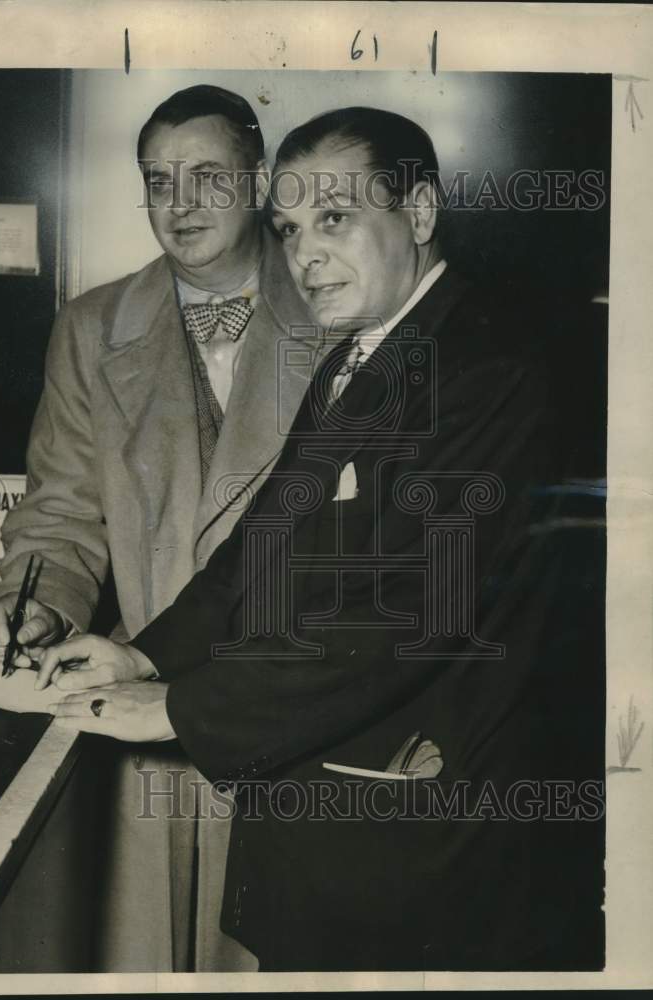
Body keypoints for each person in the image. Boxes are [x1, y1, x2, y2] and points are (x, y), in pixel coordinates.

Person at [38, 108, 604, 971]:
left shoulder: (492, 367)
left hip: (418, 844)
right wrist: (145, 658)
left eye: (334, 219)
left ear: (417, 212)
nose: (305, 255)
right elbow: (261, 549)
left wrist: (183, 710)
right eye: (290, 228)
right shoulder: (360, 356)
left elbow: (407, 607)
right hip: (334, 831)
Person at [0, 85, 322, 972]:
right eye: (159, 180)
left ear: (257, 184)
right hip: (139, 718)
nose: (181, 204)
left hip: (300, 714)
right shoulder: (93, 327)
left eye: (209, 176)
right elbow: (60, 512)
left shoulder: (336, 309)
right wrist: (36, 603)